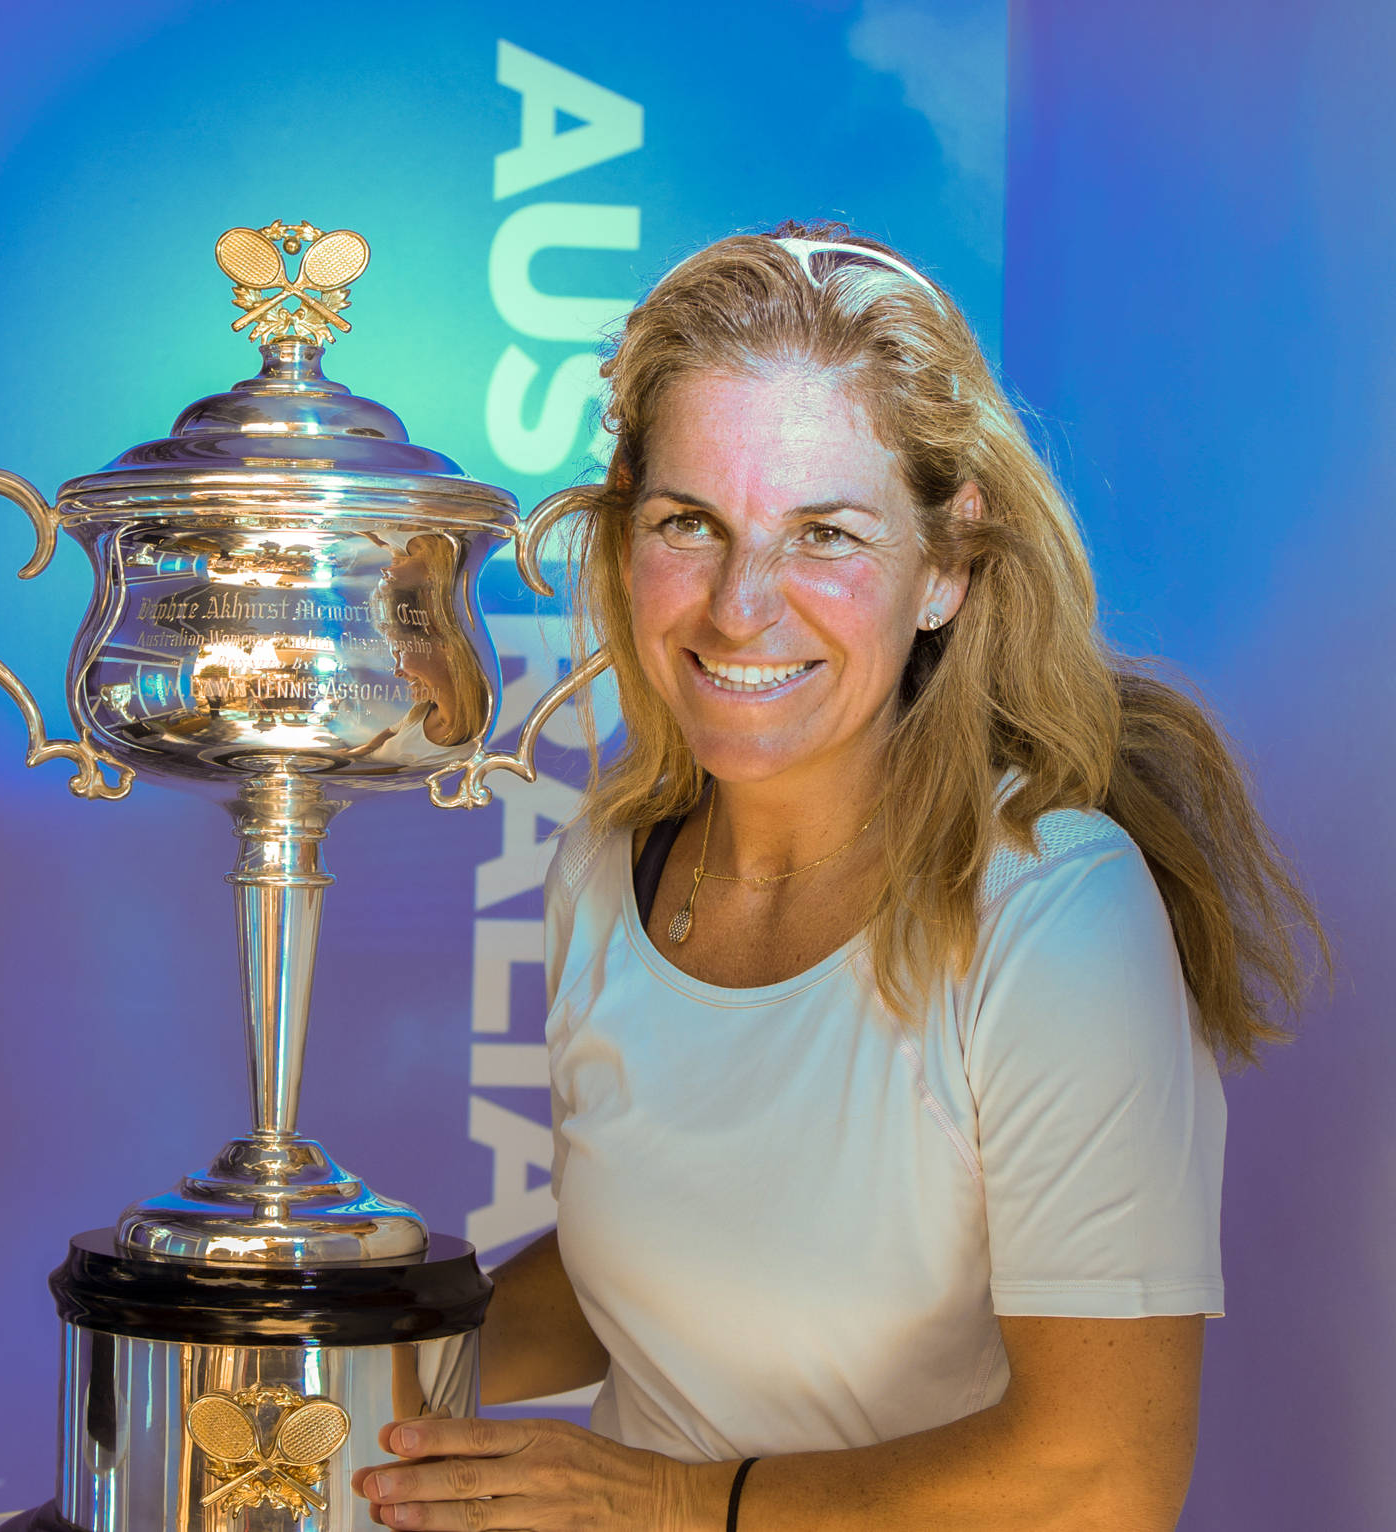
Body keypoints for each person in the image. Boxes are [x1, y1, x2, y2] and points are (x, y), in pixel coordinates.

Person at [351, 224, 1328, 1531]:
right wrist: (358, 1353)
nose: (742, 606)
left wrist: (664, 1505)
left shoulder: (1057, 913)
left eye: (825, 535)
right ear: (622, 531)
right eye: (690, 523)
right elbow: (671, 1270)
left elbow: (1104, 1477)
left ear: (946, 569)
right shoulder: (605, 866)